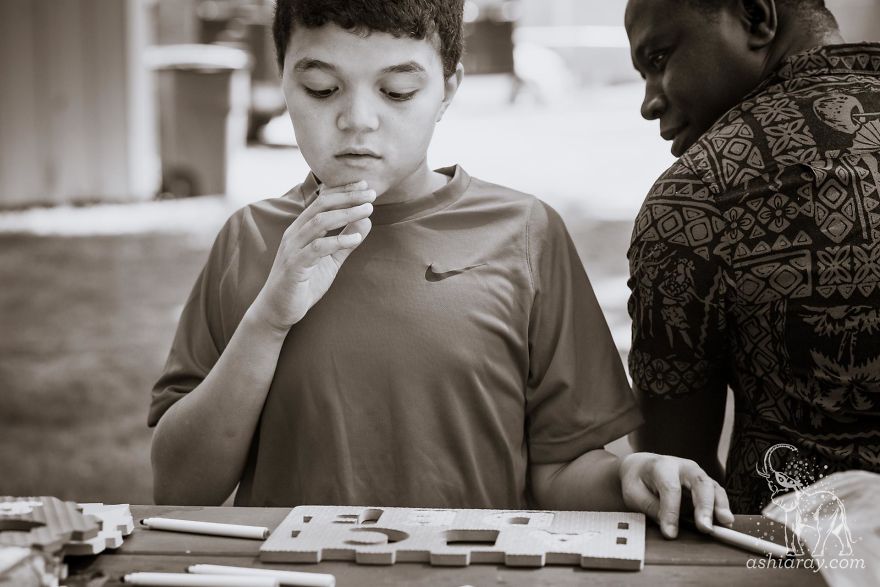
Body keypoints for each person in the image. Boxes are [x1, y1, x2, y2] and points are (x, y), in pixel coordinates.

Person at [149, 0, 733, 539]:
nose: (358, 120)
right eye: (321, 88)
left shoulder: (526, 233)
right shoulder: (249, 242)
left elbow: (558, 468)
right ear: (283, 80)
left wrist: (632, 473)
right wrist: (270, 317)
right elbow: (181, 488)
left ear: (449, 88)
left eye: (398, 91)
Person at [625, 0, 880, 513]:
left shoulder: (694, 200)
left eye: (659, 59)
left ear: (755, 18)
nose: (649, 103)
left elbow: (678, 471)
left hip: (788, 559)